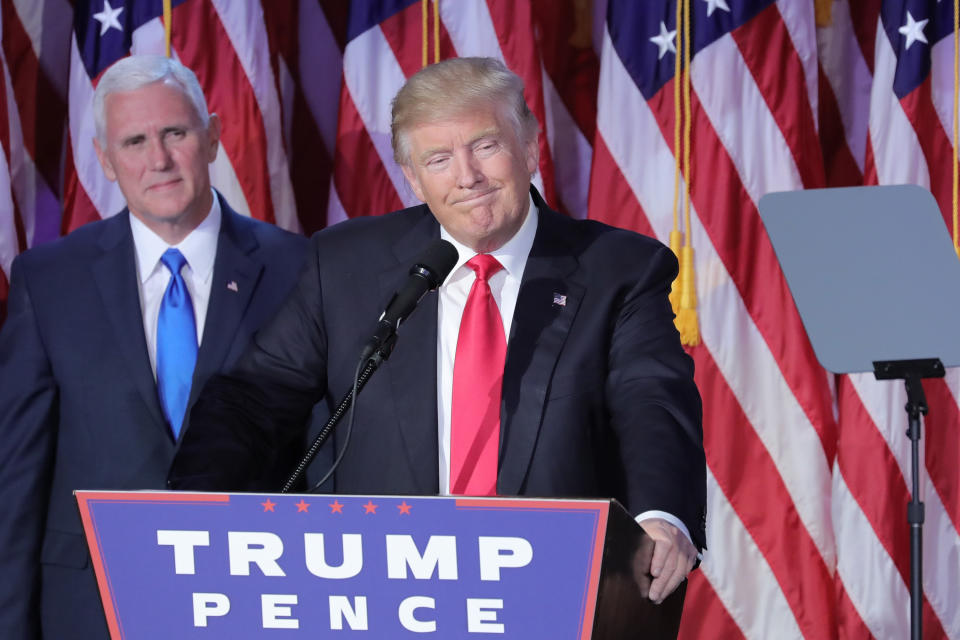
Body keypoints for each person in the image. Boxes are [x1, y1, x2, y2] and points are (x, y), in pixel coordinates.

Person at [169, 57, 706, 604]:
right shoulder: (346, 264)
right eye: (439, 158)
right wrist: (190, 507)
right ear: (413, 178)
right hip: (386, 594)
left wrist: (661, 516)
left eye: (486, 146)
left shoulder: (618, 269)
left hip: (555, 591)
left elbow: (652, 402)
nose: (467, 176)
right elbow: (253, 399)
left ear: (529, 149)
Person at [0, 55, 311, 639]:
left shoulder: (299, 267)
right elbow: (16, 478)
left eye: (175, 133)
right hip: (91, 606)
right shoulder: (49, 280)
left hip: (258, 599)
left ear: (213, 136)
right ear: (106, 161)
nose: (159, 160)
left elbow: (326, 456)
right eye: (135, 141)